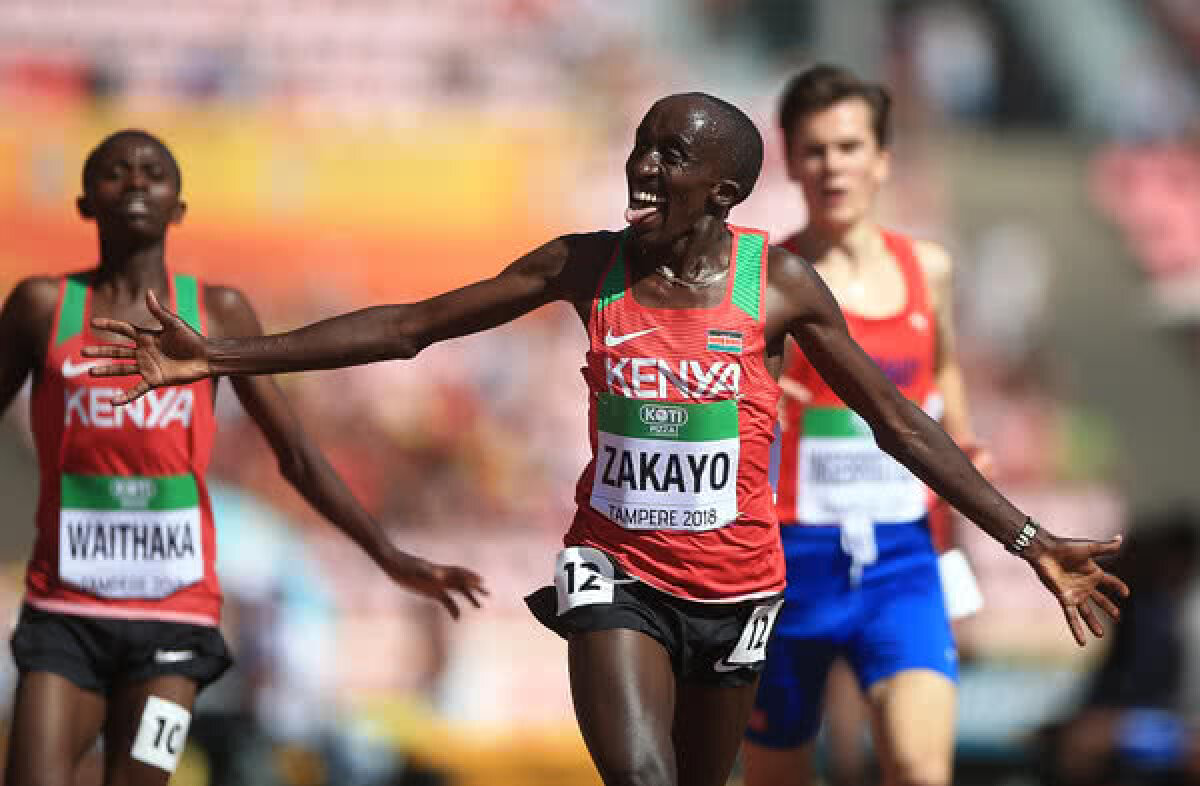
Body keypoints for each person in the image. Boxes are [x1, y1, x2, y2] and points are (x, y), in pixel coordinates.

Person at [83, 96, 1127, 786]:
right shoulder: (589, 266)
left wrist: (1031, 540)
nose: (643, 165)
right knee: (642, 778)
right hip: (614, 576)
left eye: (671, 154)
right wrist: (222, 358)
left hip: (740, 594)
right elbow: (410, 327)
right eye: (640, 144)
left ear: (723, 191)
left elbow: (899, 421)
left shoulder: (782, 287)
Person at [0, 130, 486, 786]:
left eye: (154, 173)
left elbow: (295, 454)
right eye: (116, 172)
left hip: (173, 625)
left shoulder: (218, 311)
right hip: (65, 612)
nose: (137, 182)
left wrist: (387, 555)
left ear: (179, 208)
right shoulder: (41, 307)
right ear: (86, 202)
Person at [743, 65, 985, 786]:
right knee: (777, 777)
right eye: (815, 150)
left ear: (881, 158)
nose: (832, 166)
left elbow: (941, 370)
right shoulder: (764, 282)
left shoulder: (929, 269)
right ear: (790, 160)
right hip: (787, 566)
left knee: (918, 767)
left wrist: (964, 442)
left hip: (902, 560)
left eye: (849, 147)